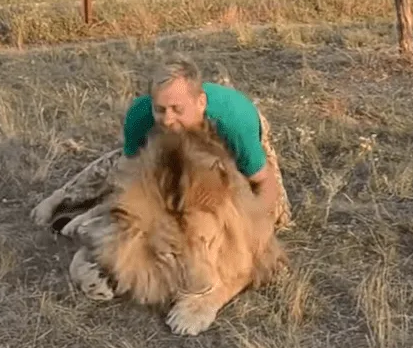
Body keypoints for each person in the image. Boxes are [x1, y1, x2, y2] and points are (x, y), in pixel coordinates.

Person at [30, 53, 293, 298]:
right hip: (170, 147)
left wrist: (255, 231)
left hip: (226, 145)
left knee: (277, 218)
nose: (167, 119)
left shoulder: (234, 124)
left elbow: (264, 181)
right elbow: (125, 173)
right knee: (117, 168)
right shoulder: (141, 116)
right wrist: (114, 214)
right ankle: (62, 197)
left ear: (200, 102)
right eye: (161, 109)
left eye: (177, 109)